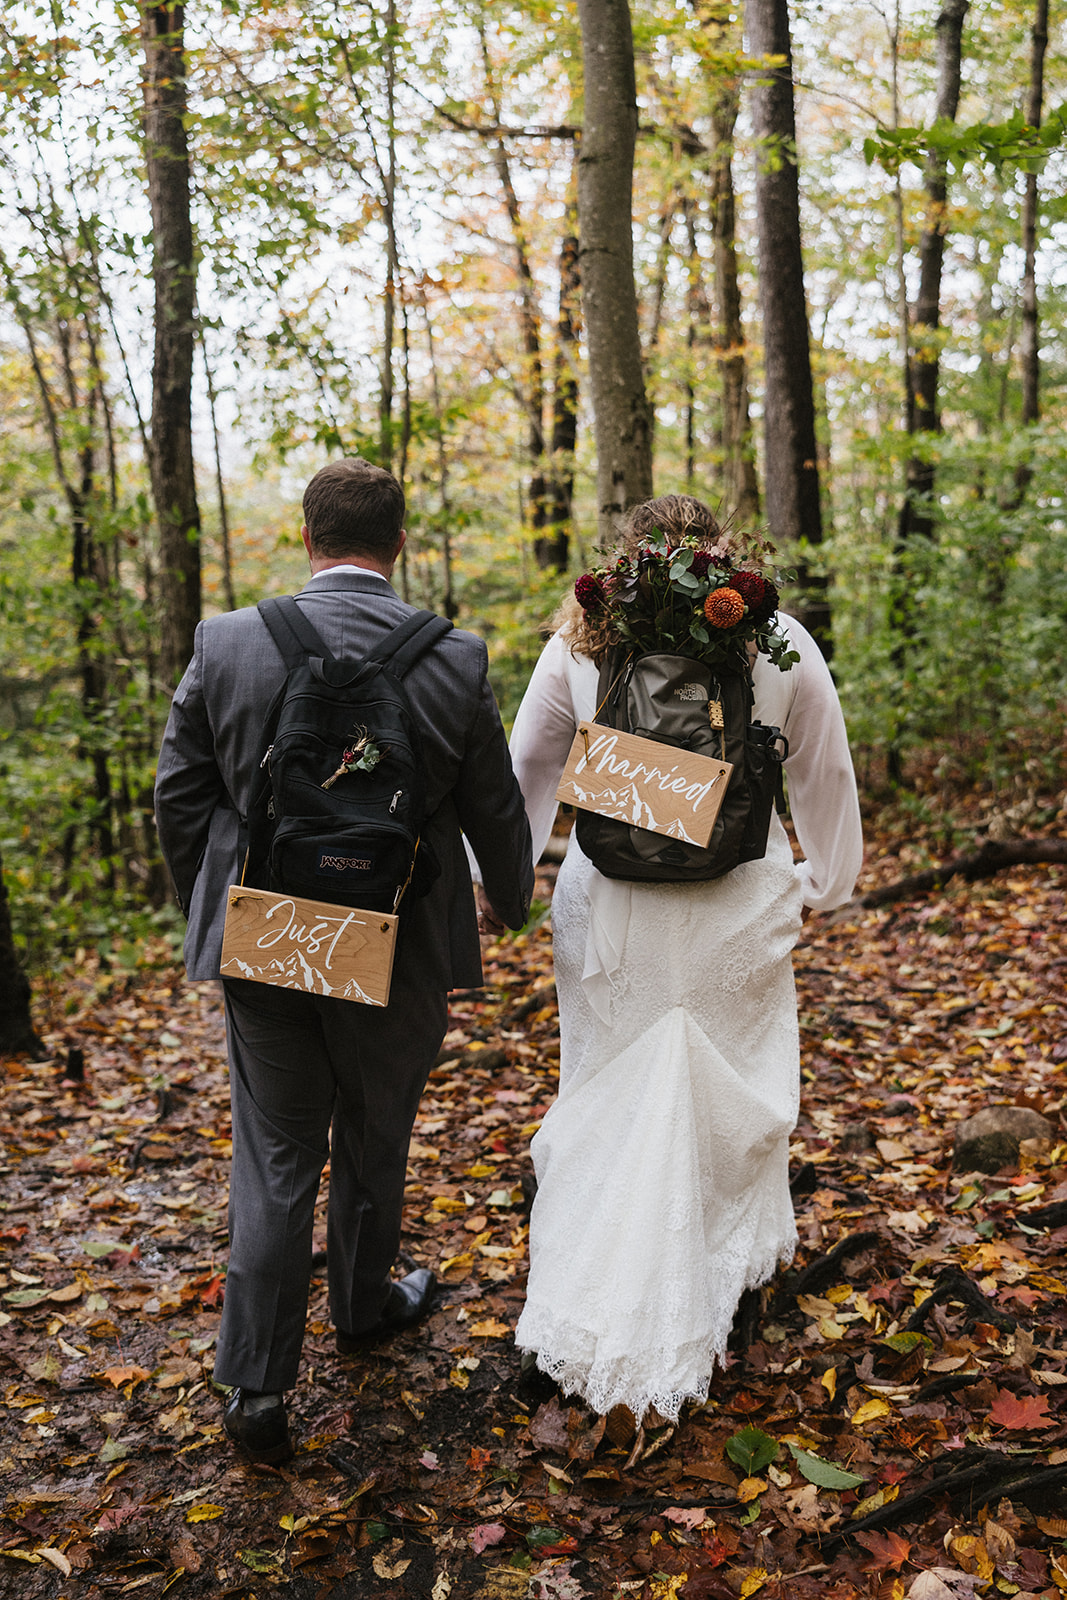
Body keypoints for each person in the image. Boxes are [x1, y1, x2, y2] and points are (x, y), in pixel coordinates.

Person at [155, 459, 534, 1462]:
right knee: (372, 1131)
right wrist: (513, 897)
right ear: (397, 542)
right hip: (398, 936)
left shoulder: (228, 643)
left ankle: (254, 1385)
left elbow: (179, 792)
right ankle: (363, 1307)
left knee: (276, 1153)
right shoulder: (453, 658)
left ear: (309, 537)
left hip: (266, 928)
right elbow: (494, 805)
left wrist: (214, 901)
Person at [508, 495, 863, 1425]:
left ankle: (583, 1298)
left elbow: (528, 772)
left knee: (601, 1091)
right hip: (735, 905)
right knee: (729, 1087)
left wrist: (505, 874)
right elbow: (822, 767)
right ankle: (718, 1291)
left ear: (624, 563)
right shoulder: (777, 640)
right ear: (723, 562)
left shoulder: (579, 647)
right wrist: (827, 876)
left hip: (614, 905)